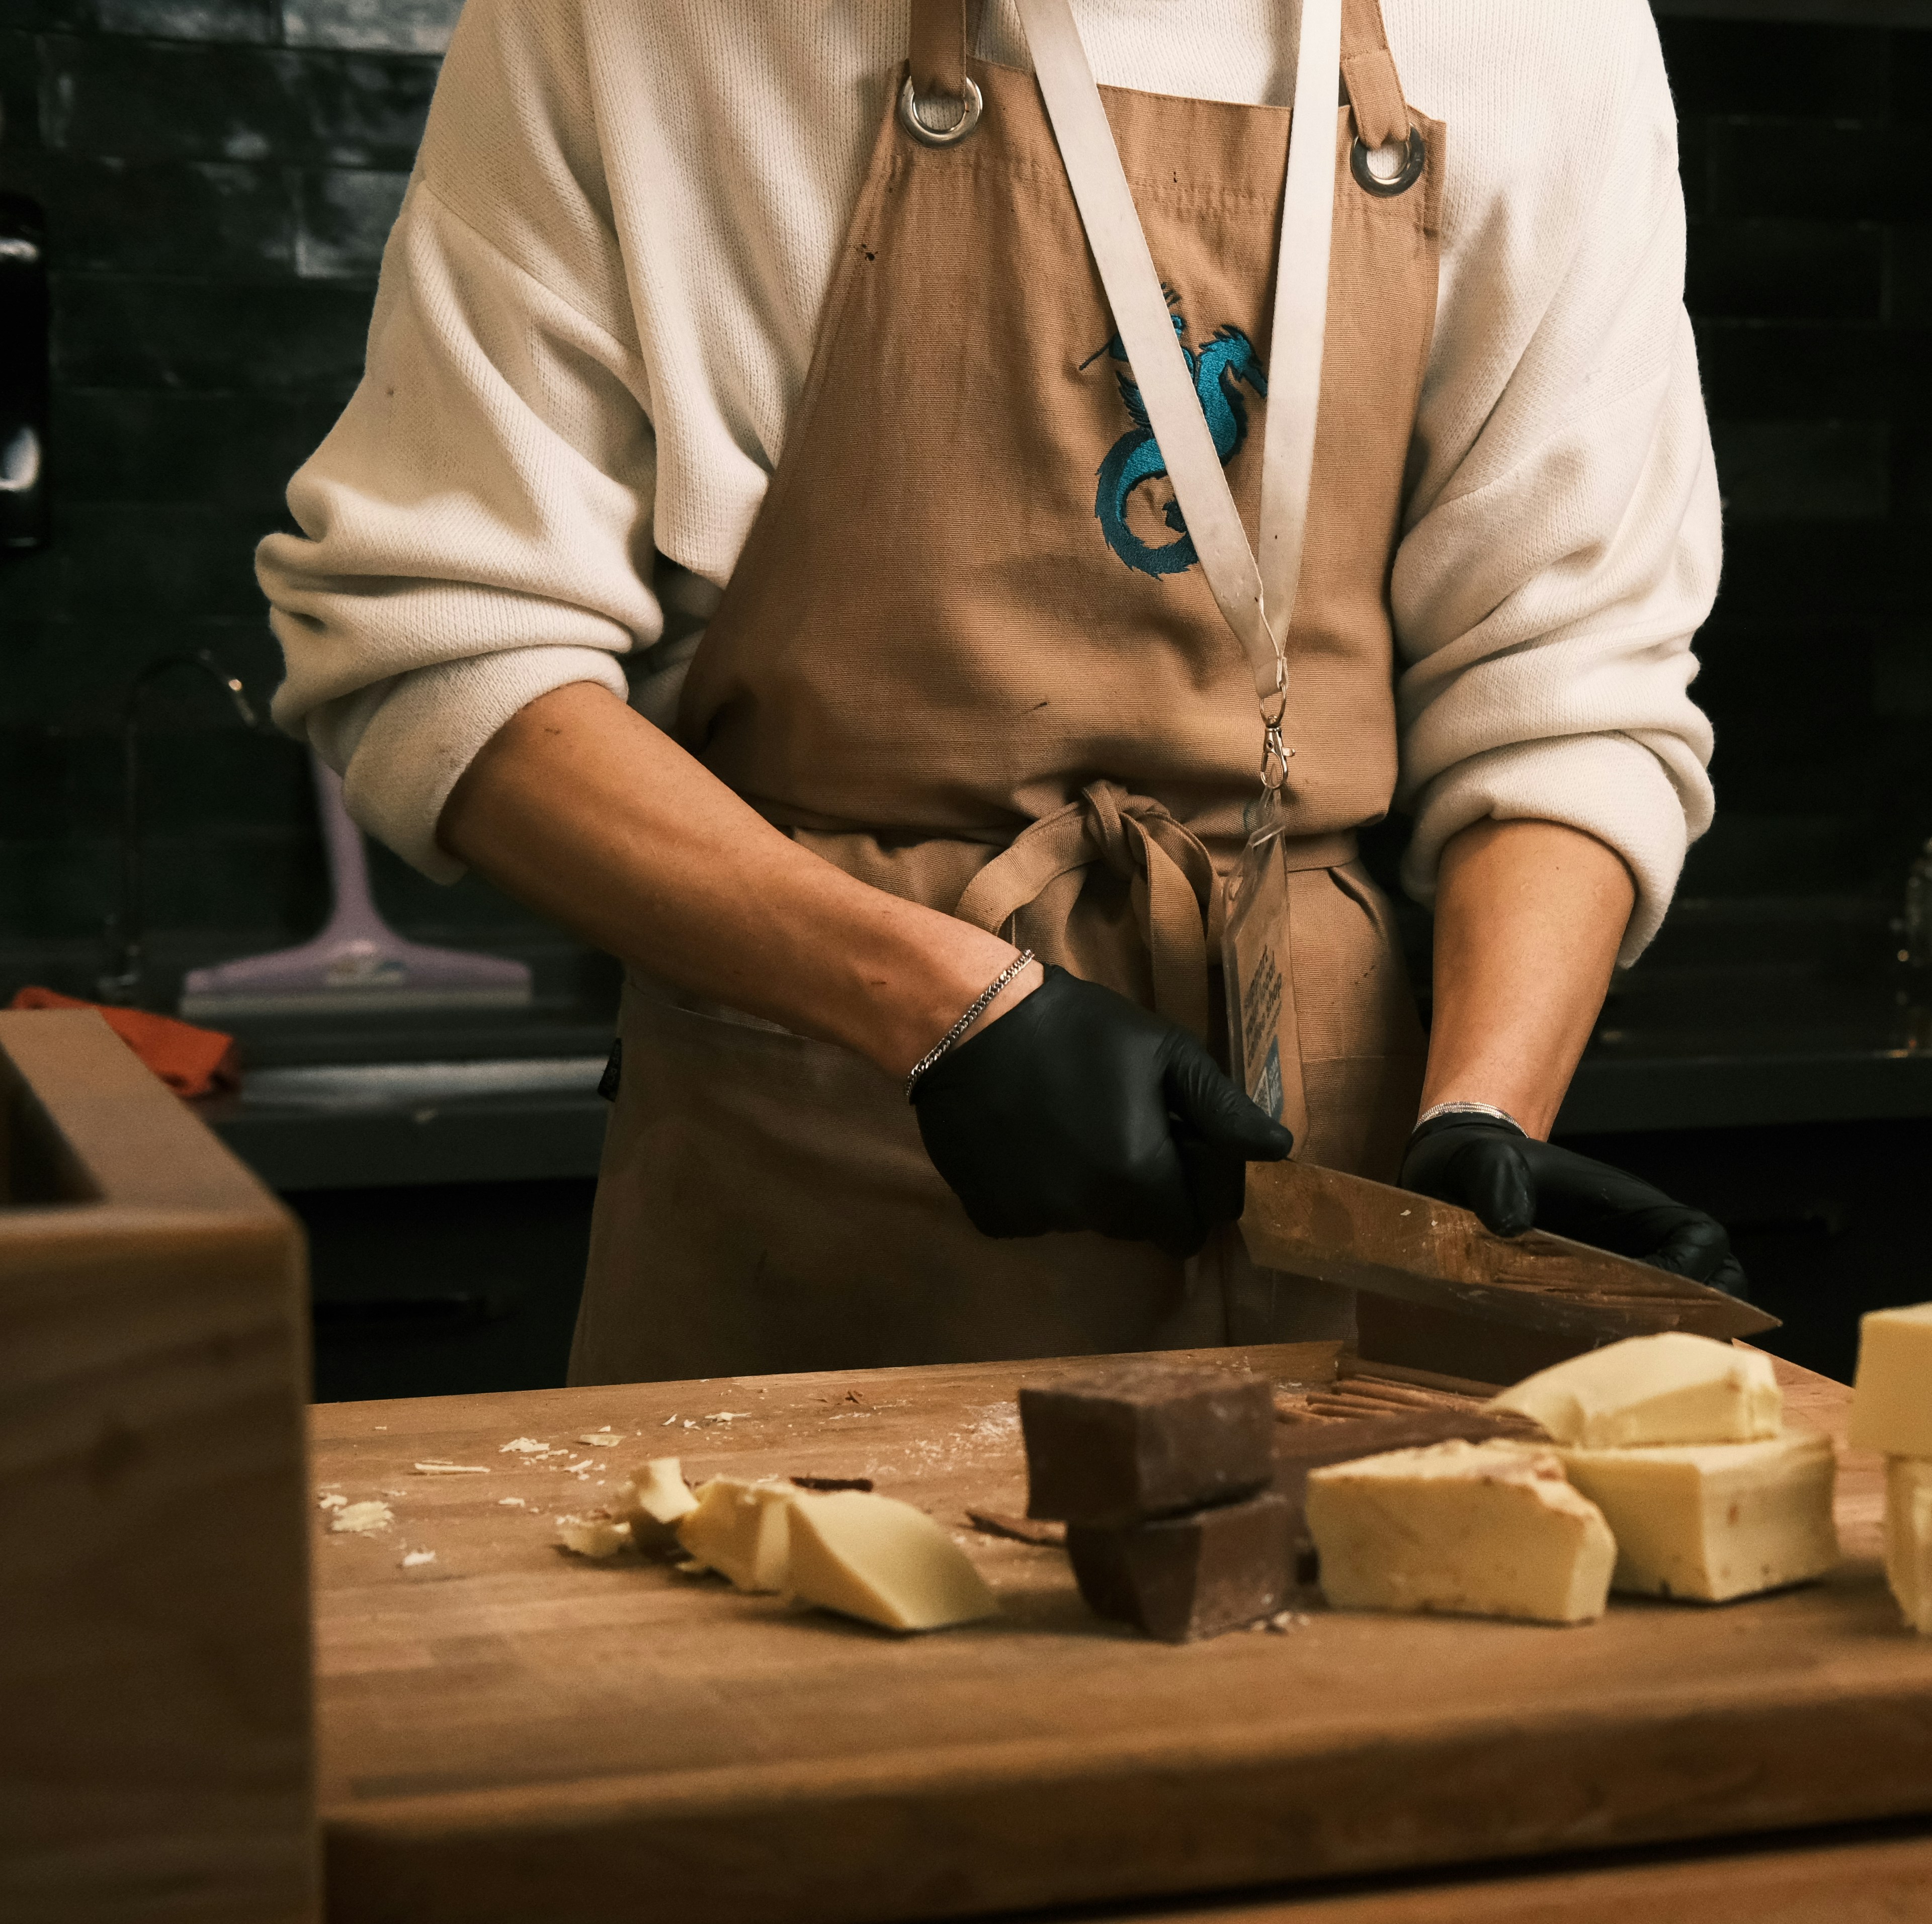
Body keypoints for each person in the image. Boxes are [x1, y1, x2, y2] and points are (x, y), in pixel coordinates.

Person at [258, 0, 1740, 1383]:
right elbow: (445, 642)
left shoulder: (1546, 34)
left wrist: (1482, 1113)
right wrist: (936, 1006)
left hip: (1330, 1185)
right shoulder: (626, 32)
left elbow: (1569, 682)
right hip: (815, 1158)